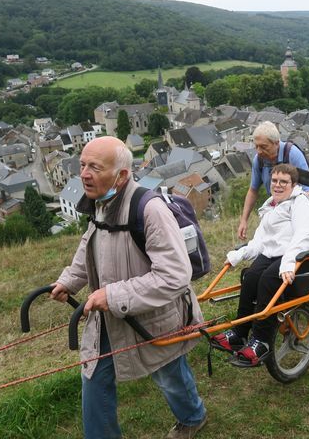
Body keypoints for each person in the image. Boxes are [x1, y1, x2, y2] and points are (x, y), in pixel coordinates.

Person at [50, 137, 207, 439]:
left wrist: (112, 295)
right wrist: (69, 280)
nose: (84, 174)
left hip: (154, 318)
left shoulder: (150, 210)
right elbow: (90, 247)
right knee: (93, 380)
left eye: (95, 167)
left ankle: (193, 417)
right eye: (82, 165)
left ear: (121, 175)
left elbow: (175, 276)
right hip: (109, 317)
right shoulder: (99, 204)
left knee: (168, 373)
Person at [212, 164, 309, 366]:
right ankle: (240, 333)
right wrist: (239, 254)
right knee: (250, 276)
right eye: (274, 181)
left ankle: (262, 341)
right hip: (276, 252)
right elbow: (260, 241)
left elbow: (303, 237)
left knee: (267, 281)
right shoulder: (272, 205)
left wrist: (289, 263)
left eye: (283, 182)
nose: (278, 185)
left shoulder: (300, 204)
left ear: (294, 184)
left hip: (301, 254)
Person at [237, 121, 309, 240]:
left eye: (263, 147)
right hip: (274, 210)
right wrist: (244, 221)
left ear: (276, 143)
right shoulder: (259, 160)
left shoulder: (292, 155)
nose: (259, 151)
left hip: (295, 213)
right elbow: (253, 190)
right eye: (256, 146)